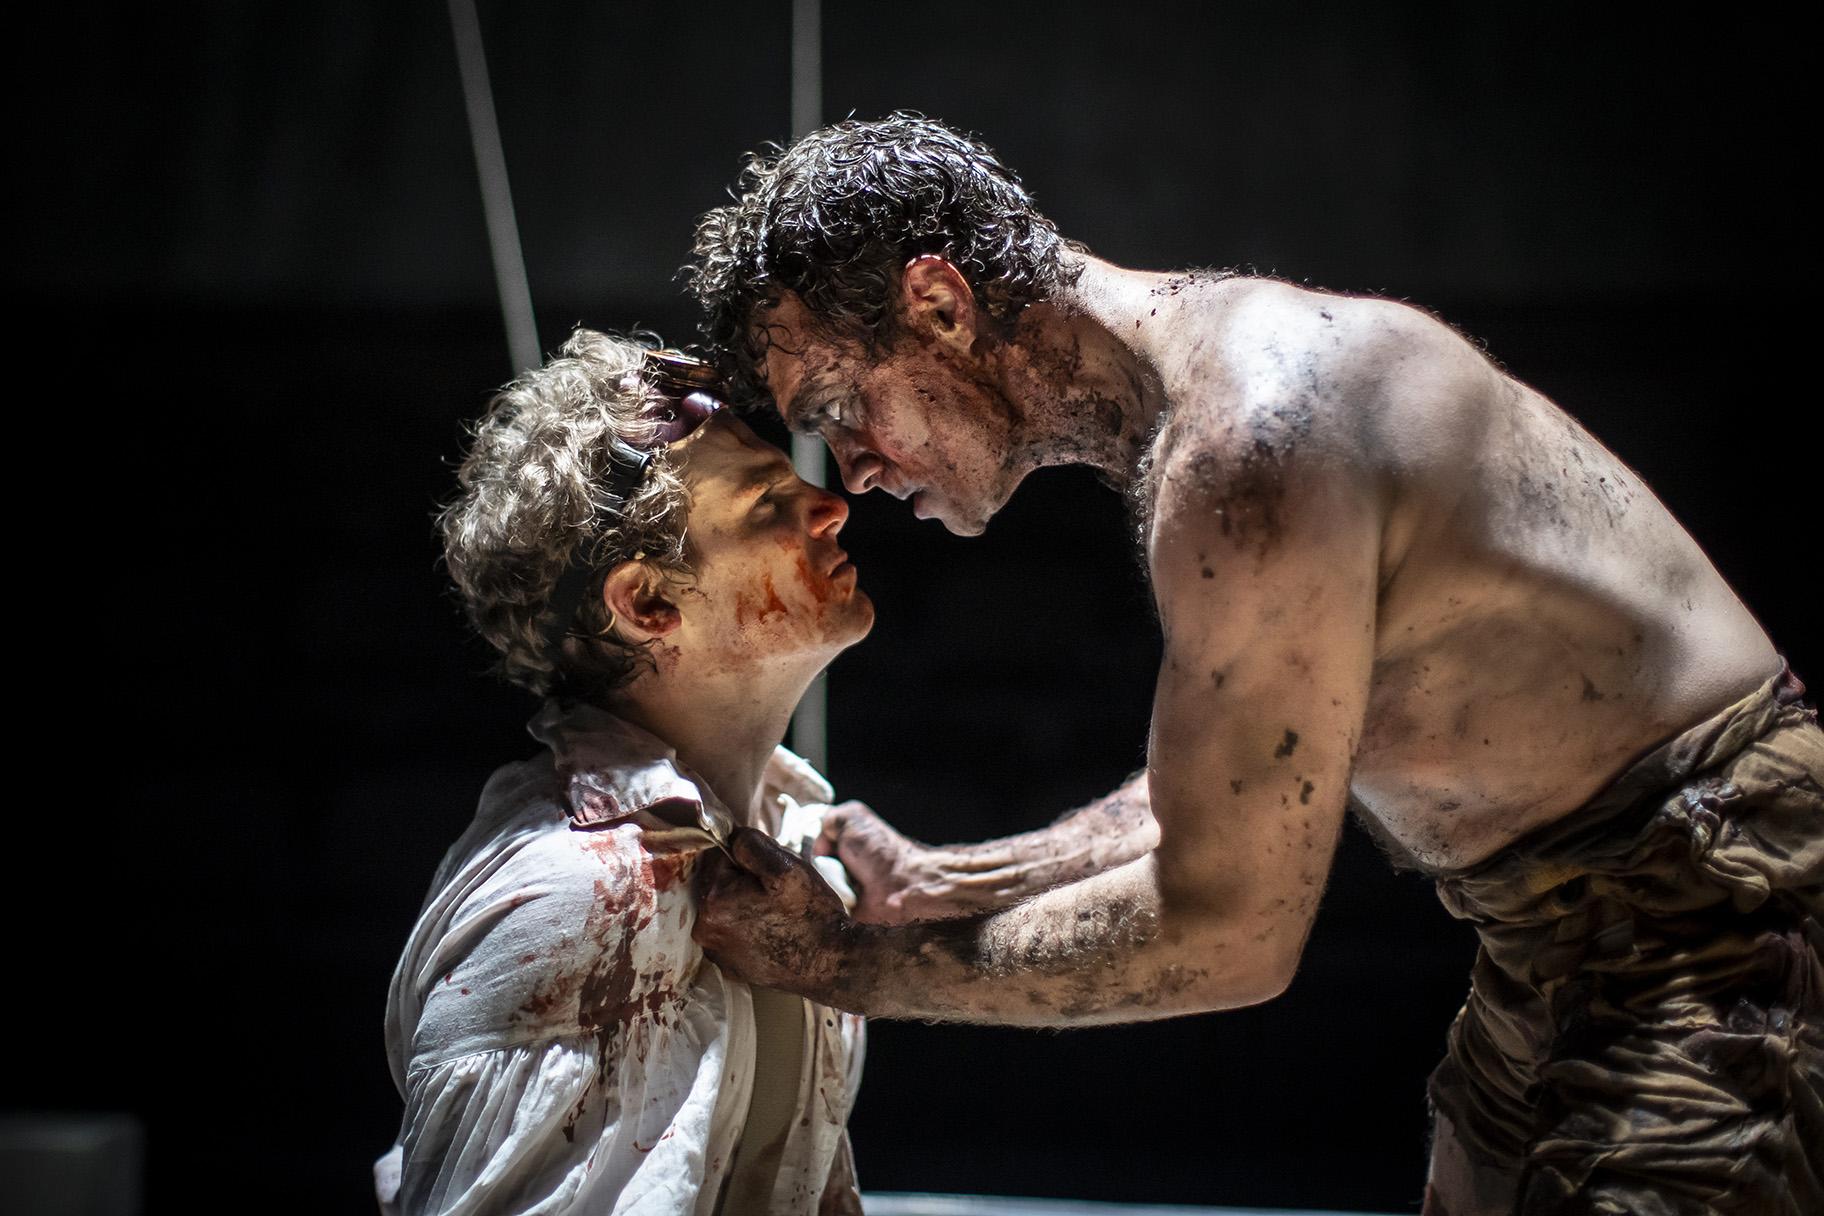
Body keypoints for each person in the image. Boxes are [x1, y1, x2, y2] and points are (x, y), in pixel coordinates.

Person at [683, 114, 1823, 1213]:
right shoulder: (1214, 403)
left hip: (1723, 897)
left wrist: (841, 963)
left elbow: (1227, 927)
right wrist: (951, 883)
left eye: (840, 407)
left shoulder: (1250, 448)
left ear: (938, 303)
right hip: (1556, 922)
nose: (853, 473)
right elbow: (1233, 791)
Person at [375, 330, 872, 1215]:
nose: (828, 506)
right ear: (647, 604)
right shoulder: (583, 894)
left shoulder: (781, 837)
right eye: (767, 503)